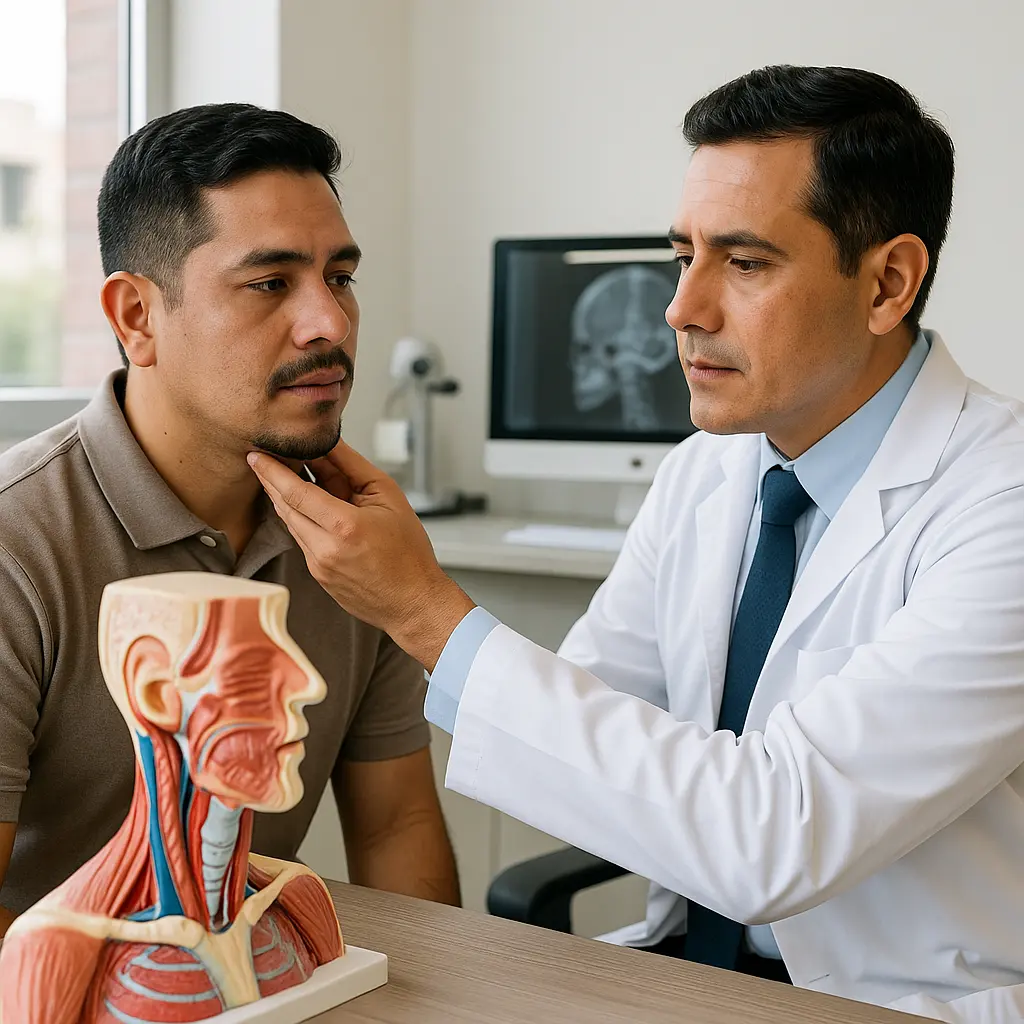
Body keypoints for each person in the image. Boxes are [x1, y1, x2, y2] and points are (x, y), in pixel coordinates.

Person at [248, 66, 1024, 1023]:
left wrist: (424, 610)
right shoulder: (712, 468)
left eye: (744, 264)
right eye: (682, 254)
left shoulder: (1002, 504)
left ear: (888, 283)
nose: (681, 308)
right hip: (685, 974)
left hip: (896, 1000)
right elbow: (592, 718)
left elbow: (775, 836)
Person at [0, 103, 460, 939]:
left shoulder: (358, 540)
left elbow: (397, 833)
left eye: (341, 278)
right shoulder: (15, 544)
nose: (330, 322)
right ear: (136, 317)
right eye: (270, 283)